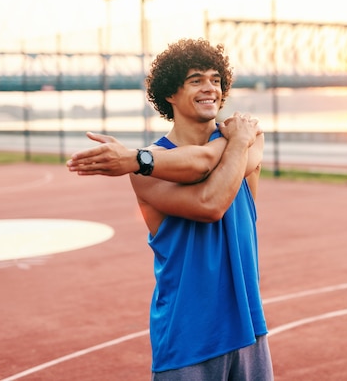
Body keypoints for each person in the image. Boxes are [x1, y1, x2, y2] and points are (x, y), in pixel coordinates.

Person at [67, 38, 273, 381]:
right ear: (170, 94)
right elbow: (209, 203)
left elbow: (206, 161)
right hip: (188, 338)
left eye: (215, 80)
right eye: (196, 80)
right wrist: (237, 140)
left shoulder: (247, 140)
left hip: (249, 329)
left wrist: (135, 158)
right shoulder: (149, 171)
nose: (210, 89)